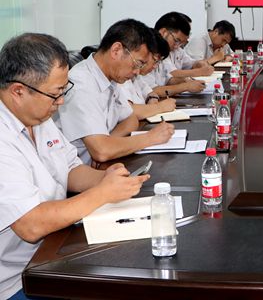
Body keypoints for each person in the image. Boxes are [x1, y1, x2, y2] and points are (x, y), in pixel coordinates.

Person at [0, 33, 150, 300]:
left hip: (53, 251)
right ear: (18, 91)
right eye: (54, 94)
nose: (60, 102)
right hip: (18, 279)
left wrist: (105, 178)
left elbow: (70, 169)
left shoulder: (38, 116)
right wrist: (102, 193)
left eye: (63, 91)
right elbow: (30, 225)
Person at [57, 19, 175, 165]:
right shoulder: (81, 85)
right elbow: (101, 152)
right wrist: (150, 138)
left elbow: (130, 119)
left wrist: (110, 143)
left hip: (103, 165)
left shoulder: (110, 77)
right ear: (116, 50)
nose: (137, 72)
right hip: (79, 172)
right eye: (138, 63)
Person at [119, 31, 177, 120]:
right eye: (155, 60)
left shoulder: (137, 76)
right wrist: (160, 107)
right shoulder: (121, 76)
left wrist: (152, 100)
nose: (155, 66)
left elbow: (150, 92)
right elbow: (127, 111)